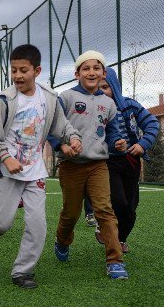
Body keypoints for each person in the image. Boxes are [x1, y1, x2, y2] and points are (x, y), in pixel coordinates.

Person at [0, 44, 82, 289]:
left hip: (35, 172)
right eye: (14, 70)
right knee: (1, 223)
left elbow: (61, 125)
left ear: (36, 71)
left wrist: (73, 138)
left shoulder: (49, 98)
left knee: (38, 225)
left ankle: (22, 272)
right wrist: (6, 158)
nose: (17, 75)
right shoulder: (6, 100)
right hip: (6, 171)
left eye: (23, 70)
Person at [50, 50, 129, 280]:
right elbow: (52, 128)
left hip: (98, 166)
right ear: (77, 73)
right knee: (71, 213)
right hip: (71, 166)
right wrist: (61, 146)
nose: (91, 72)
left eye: (96, 68)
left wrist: (118, 143)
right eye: (86, 68)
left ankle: (114, 261)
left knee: (105, 211)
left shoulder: (109, 104)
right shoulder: (65, 98)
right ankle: (63, 240)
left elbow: (112, 134)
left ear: (104, 73)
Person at [97, 67, 158, 253]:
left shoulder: (129, 105)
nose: (102, 92)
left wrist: (142, 144)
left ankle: (121, 238)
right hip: (108, 163)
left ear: (114, 87)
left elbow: (152, 123)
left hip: (131, 161)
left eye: (105, 87)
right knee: (118, 202)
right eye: (97, 88)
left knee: (131, 207)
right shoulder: (95, 111)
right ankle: (105, 229)